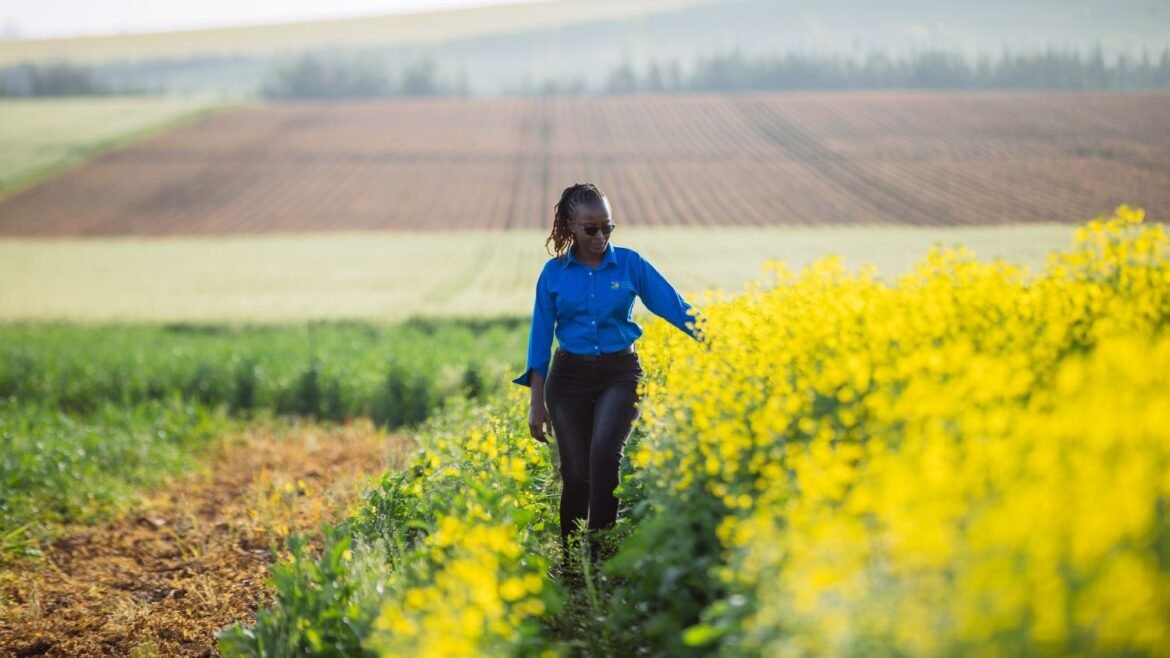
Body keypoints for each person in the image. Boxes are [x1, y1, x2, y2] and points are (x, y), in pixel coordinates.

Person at [512, 182, 704, 572]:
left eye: (607, 227)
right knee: (576, 472)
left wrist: (720, 338)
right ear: (570, 226)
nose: (600, 236)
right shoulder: (553, 275)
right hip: (568, 379)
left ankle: (600, 557)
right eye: (590, 229)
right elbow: (540, 338)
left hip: (621, 373)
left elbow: (674, 306)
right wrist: (536, 402)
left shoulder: (631, 264)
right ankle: (571, 563)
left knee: (604, 455)